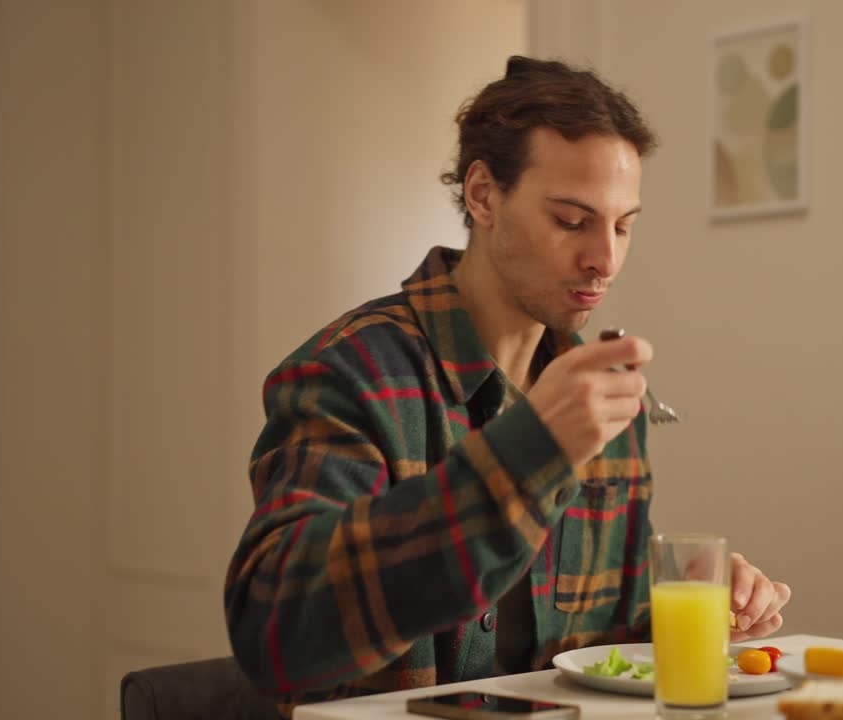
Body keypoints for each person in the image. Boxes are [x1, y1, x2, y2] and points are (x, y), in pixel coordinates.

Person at [224, 55, 791, 714]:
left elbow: (608, 641)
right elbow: (274, 633)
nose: (604, 259)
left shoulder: (602, 394)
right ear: (483, 195)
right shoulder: (351, 373)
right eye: (571, 221)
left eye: (624, 225)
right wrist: (526, 451)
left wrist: (698, 602)